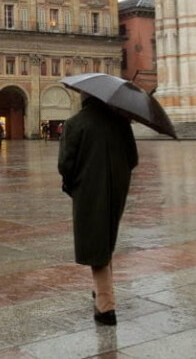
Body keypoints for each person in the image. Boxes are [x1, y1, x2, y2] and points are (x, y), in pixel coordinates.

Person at [57, 93, 139, 326]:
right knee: (106, 236)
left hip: (88, 189)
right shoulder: (121, 122)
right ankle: (101, 288)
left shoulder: (75, 123)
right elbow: (133, 158)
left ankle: (105, 306)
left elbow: (64, 164)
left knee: (94, 241)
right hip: (117, 188)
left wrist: (78, 179)